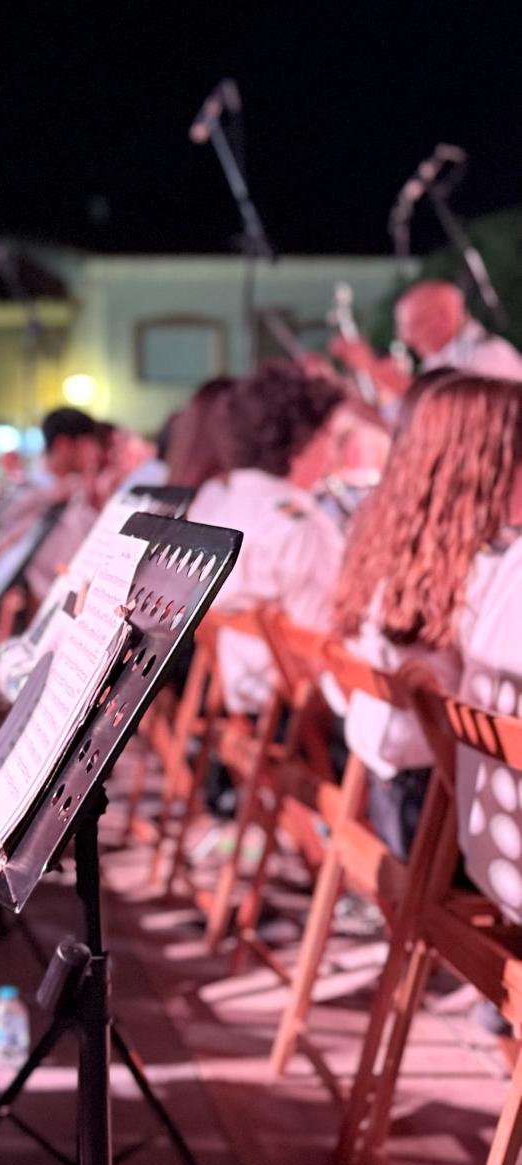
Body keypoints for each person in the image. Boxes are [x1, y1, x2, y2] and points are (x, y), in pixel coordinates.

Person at [333, 375, 522, 861]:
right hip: (451, 814)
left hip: (398, 783)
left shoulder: (400, 538)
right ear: (491, 465)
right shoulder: (483, 570)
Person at [186, 362, 347, 716]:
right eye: (331, 437)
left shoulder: (214, 502)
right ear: (304, 442)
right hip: (294, 708)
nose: (334, 452)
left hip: (239, 693)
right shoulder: (302, 526)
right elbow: (325, 642)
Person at [332, 279, 522, 402]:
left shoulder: (490, 356)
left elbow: (441, 409)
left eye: (411, 327)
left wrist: (370, 366)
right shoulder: (437, 360)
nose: (404, 339)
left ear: (443, 317)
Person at [0, 405, 104, 604]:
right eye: (90, 443)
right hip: (29, 606)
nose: (96, 452)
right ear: (63, 444)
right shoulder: (24, 489)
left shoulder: (77, 489)